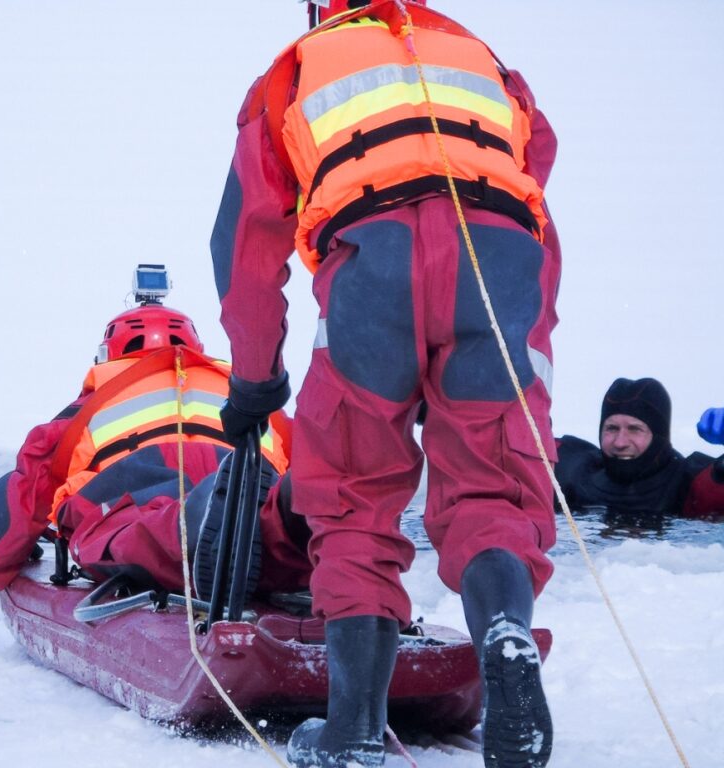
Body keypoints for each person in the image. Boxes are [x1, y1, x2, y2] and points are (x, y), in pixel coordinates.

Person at [209, 2, 559, 766]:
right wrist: (531, 333)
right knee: (492, 491)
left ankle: (353, 733)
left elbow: (245, 244)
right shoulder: (479, 57)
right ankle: (504, 632)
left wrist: (257, 382)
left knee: (354, 498)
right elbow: (534, 183)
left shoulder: (294, 72)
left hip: (374, 265)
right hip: (499, 266)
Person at [0, 299, 310, 600]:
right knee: (268, 522)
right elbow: (306, 450)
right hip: (243, 468)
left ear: (109, 356)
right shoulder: (250, 397)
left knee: (121, 531)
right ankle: (295, 514)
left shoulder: (87, 408)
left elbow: (4, 525)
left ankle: (191, 528)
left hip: (133, 483)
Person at [555, 377, 724, 518]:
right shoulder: (571, 471)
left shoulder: (688, 484)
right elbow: (532, 441)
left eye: (635, 429)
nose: (620, 443)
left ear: (659, 436)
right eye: (612, 428)